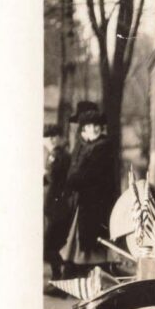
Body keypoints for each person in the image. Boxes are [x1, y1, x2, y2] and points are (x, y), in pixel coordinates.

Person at [60, 103, 116, 274]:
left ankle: (90, 277)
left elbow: (87, 175)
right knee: (79, 241)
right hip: (84, 201)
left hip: (96, 202)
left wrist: (73, 179)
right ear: (84, 129)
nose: (94, 129)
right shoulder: (86, 147)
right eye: (90, 126)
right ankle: (70, 276)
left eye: (97, 126)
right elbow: (74, 172)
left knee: (93, 243)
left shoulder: (101, 147)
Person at [43, 124, 72, 291]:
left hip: (59, 206)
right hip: (54, 206)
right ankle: (57, 280)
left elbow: (56, 179)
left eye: (54, 136)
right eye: (48, 136)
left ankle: (59, 280)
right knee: (52, 245)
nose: (51, 139)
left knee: (51, 246)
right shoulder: (53, 155)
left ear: (60, 138)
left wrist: (45, 175)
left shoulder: (60, 155)